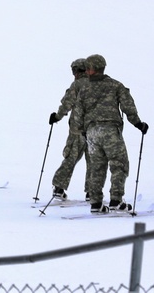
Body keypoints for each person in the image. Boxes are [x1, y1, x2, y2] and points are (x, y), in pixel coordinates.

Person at [71, 54, 147, 213]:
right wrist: (138, 124)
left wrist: (81, 131)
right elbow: (128, 106)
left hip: (91, 132)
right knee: (119, 164)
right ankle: (116, 200)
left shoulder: (83, 89)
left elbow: (77, 113)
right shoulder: (115, 85)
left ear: (90, 69)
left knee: (96, 167)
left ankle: (96, 203)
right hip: (110, 131)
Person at [48, 58, 92, 201]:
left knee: (70, 158)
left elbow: (67, 103)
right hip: (95, 130)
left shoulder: (77, 85)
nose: (74, 74)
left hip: (77, 130)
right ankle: (92, 192)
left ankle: (59, 187)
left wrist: (57, 116)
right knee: (94, 161)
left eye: (75, 70)